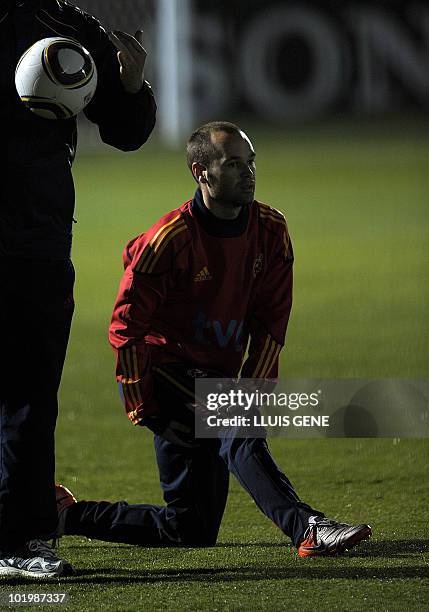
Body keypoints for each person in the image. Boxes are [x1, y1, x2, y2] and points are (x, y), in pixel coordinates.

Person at [55, 121, 372, 558]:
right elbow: (125, 327)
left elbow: (270, 327)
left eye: (251, 162)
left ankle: (63, 516)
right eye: (234, 163)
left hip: (217, 378)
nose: (249, 173)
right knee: (238, 425)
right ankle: (308, 527)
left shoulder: (271, 231)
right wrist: (141, 403)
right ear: (200, 172)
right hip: (164, 375)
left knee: (189, 527)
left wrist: (252, 391)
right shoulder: (169, 240)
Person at [0, 0, 156, 578]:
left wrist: (133, 84)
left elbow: (128, 130)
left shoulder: (68, 25)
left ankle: (17, 541)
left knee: (30, 399)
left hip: (38, 243)